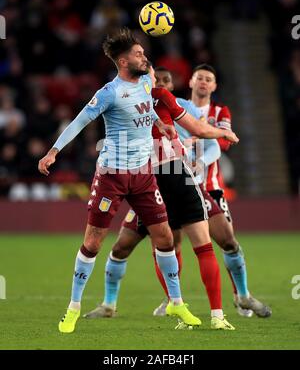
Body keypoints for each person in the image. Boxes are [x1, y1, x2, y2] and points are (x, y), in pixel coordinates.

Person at [38, 28, 202, 333]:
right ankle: (73, 308)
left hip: (143, 176)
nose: (145, 57)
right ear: (124, 60)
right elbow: (79, 121)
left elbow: (147, 110)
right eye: (139, 54)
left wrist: (161, 126)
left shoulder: (144, 82)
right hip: (111, 177)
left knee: (165, 238)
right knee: (93, 242)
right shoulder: (108, 93)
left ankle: (177, 303)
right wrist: (53, 152)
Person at [83, 66, 239, 330]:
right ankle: (214, 315)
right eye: (155, 76)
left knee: (163, 247)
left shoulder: (120, 98)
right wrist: (222, 133)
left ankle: (186, 309)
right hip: (170, 174)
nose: (158, 81)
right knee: (199, 245)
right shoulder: (159, 97)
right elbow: (198, 130)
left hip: (146, 177)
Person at [174, 64, 272, 318]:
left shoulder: (220, 111)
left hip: (210, 187)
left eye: (209, 79)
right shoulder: (178, 107)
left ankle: (242, 296)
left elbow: (223, 143)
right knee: (169, 242)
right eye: (200, 78)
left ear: (214, 86)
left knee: (227, 241)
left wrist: (200, 151)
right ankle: (172, 300)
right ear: (191, 82)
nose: (204, 82)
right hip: (178, 185)